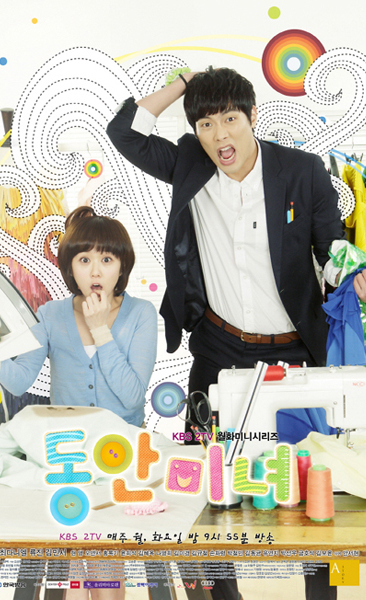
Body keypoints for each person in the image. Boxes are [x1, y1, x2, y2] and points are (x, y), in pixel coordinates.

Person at [106, 67, 366, 600]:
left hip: (294, 351)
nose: (219, 134)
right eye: (205, 123)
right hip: (218, 349)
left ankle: (322, 594)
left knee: (307, 485)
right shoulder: (189, 163)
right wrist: (183, 83)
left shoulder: (301, 171)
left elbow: (330, 249)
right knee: (206, 483)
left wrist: (353, 273)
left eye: (229, 119)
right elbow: (125, 133)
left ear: (252, 116)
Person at [0, 205, 158, 427]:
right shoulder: (50, 315)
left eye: (107, 259)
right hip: (66, 440)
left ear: (122, 266)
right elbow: (18, 382)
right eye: (84, 260)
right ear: (70, 268)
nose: (95, 272)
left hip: (124, 441)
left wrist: (100, 331)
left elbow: (133, 398)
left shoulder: (141, 313)